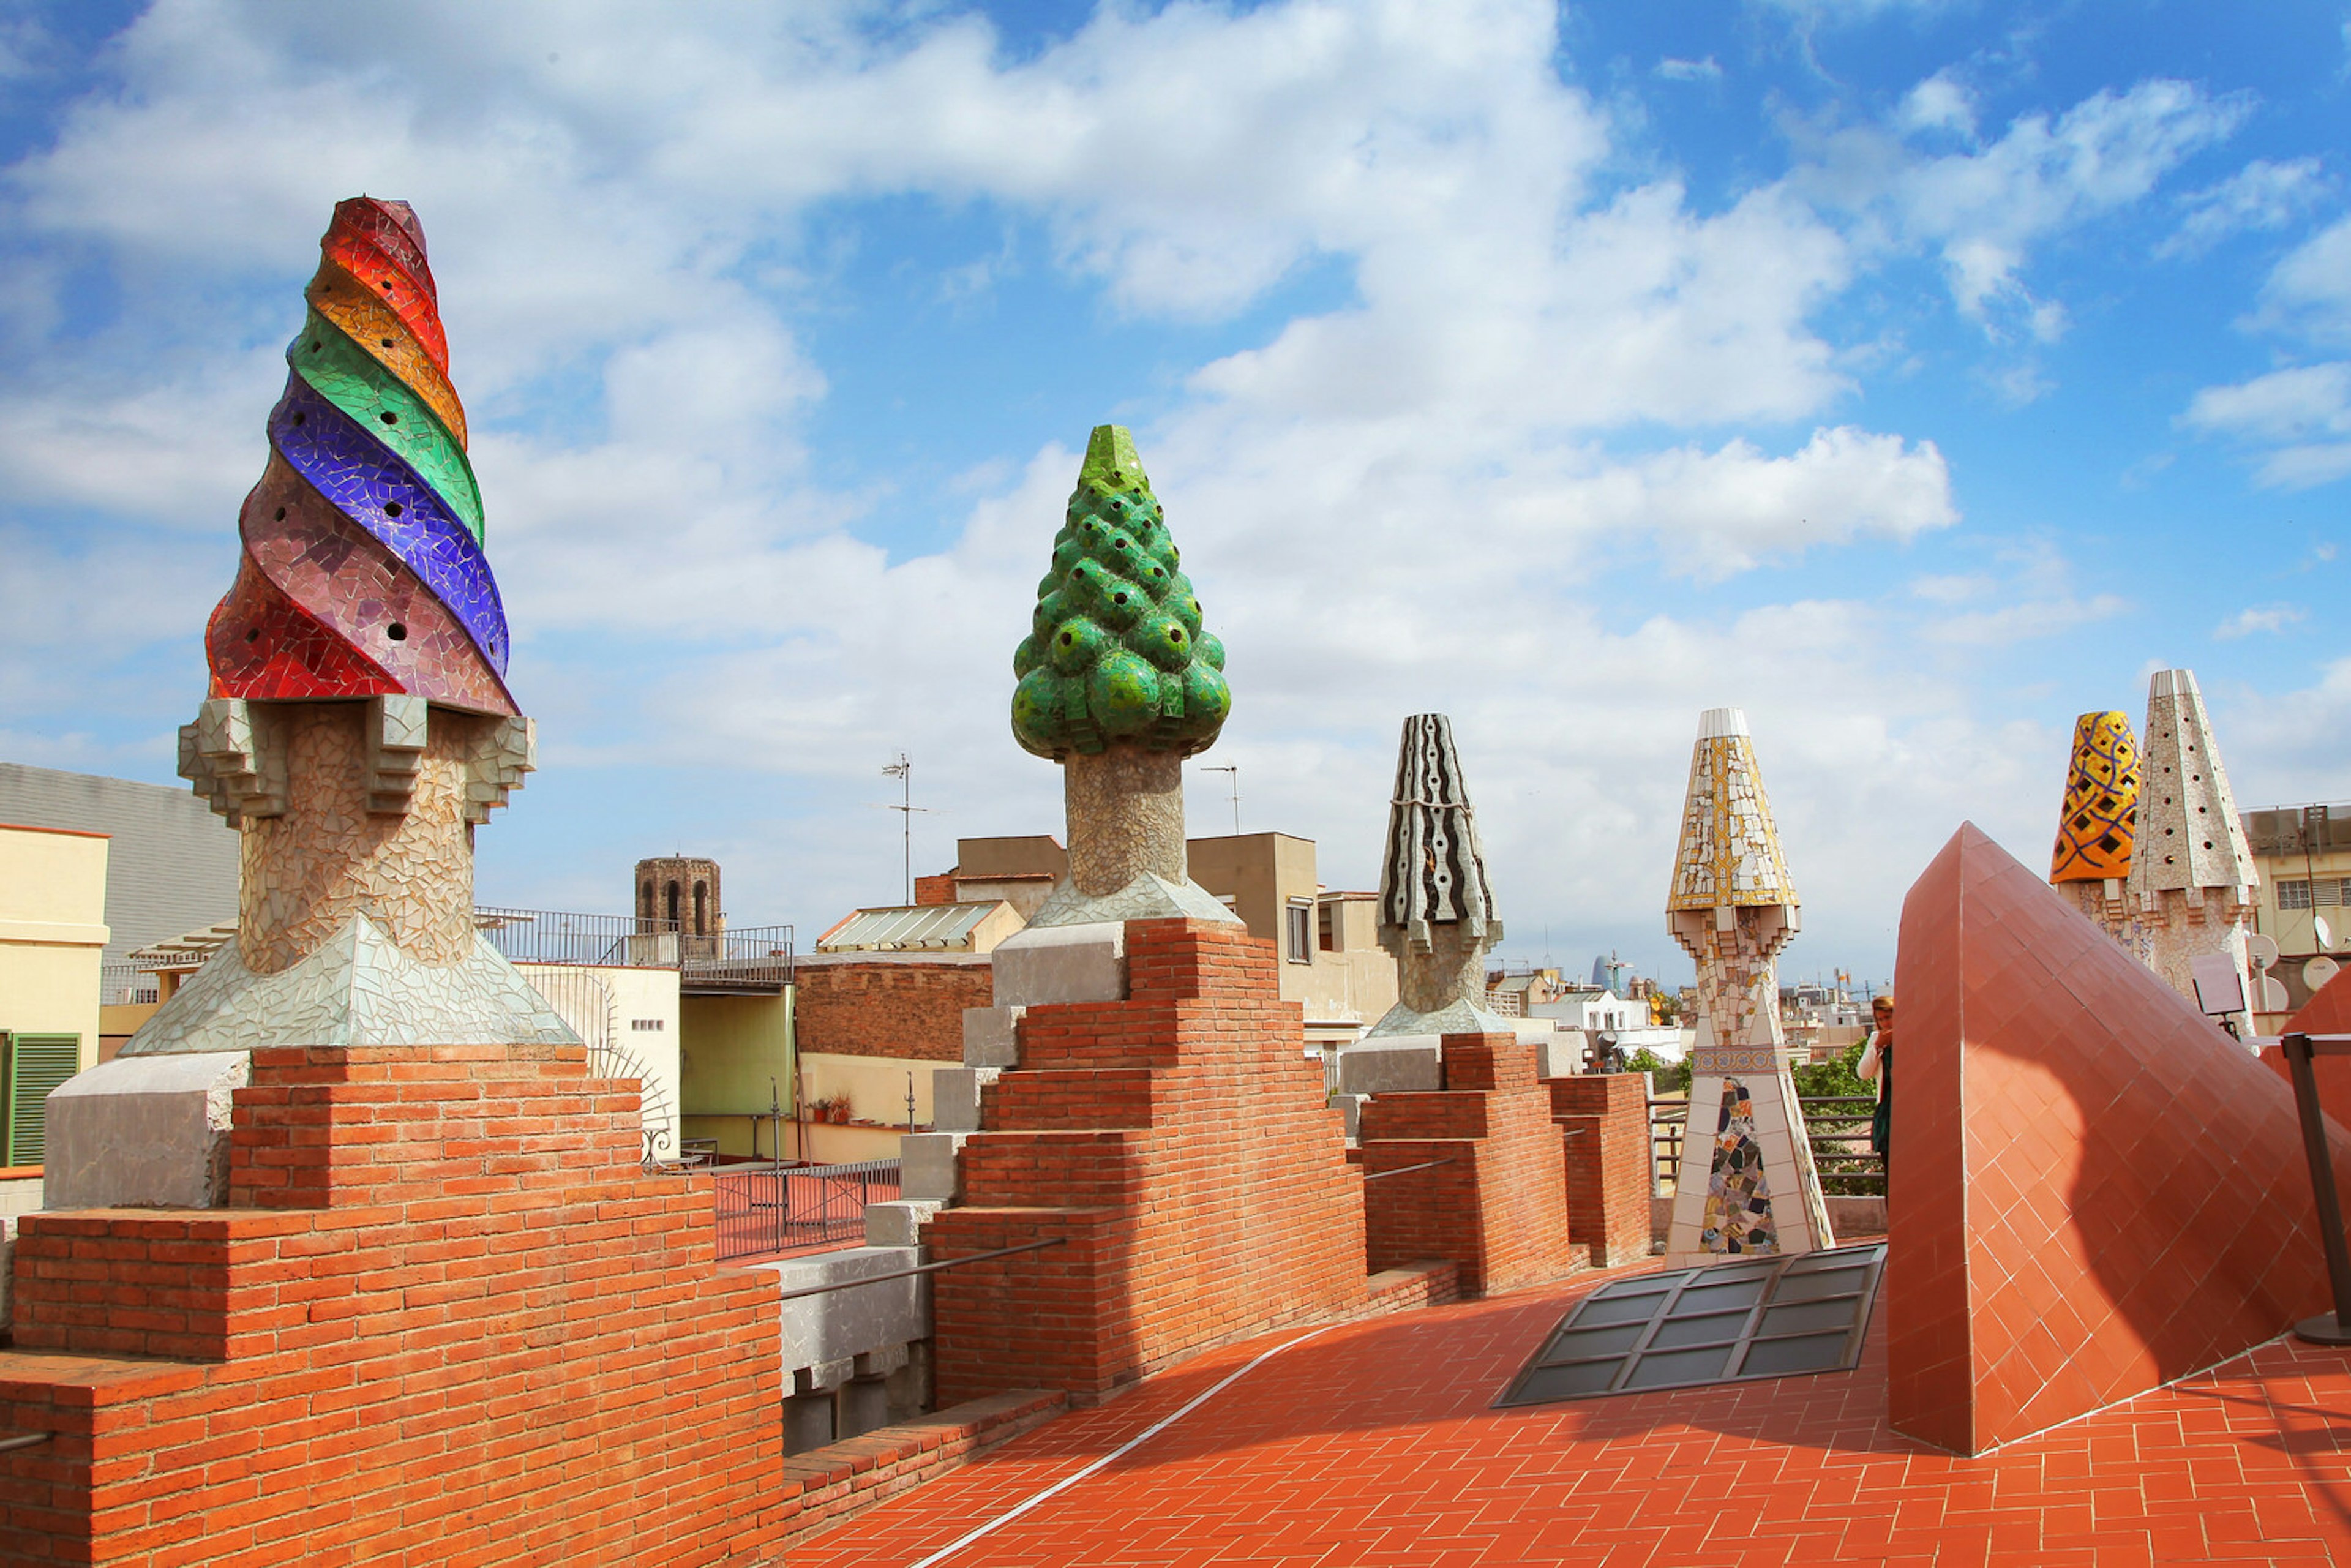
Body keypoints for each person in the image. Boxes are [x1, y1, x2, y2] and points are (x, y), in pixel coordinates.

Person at [1857, 993, 1893, 1163]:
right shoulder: (1875, 1039)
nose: (1886, 1023)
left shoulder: (1910, 1036)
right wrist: (1878, 1047)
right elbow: (1863, 1073)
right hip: (1887, 1106)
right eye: (1881, 1019)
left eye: (1888, 1017)